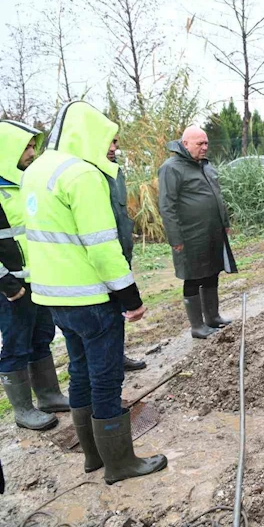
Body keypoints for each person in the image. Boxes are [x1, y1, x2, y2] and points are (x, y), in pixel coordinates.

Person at [21, 100, 167, 484]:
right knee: (106, 378)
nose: (111, 148)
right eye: (107, 140)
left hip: (55, 298)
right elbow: (102, 246)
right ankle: (120, 464)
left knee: (81, 373)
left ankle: (93, 457)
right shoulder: (81, 175)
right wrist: (130, 298)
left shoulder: (36, 171)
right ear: (86, 135)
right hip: (90, 299)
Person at [0, 120, 69, 431]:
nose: (31, 153)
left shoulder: (25, 182)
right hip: (11, 285)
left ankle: (50, 395)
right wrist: (6, 282)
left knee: (42, 336)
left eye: (32, 146)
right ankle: (23, 410)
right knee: (16, 344)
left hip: (39, 278)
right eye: (26, 147)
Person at [158, 126, 237, 339]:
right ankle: (197, 326)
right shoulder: (171, 168)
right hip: (189, 235)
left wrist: (225, 222)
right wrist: (175, 237)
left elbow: (217, 196)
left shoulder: (204, 166)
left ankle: (213, 317)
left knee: (212, 272)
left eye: (206, 143)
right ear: (185, 144)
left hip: (212, 231)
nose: (205, 147)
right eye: (199, 144)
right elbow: (167, 206)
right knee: (192, 277)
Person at [105, 136, 146, 371]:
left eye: (116, 142)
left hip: (119, 252)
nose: (114, 148)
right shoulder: (87, 176)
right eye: (108, 142)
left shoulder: (115, 173)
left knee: (117, 313)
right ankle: (109, 363)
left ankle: (118, 356)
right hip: (103, 256)